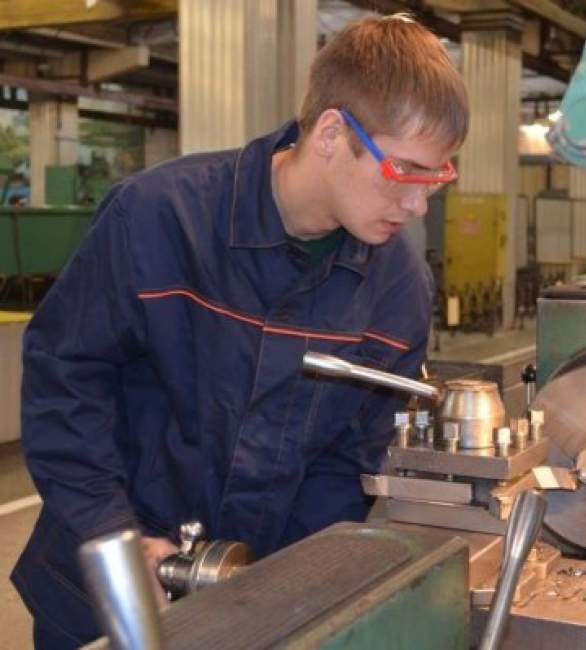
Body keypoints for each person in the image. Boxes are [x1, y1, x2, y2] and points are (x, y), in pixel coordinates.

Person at [12, 13, 468, 648]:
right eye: (405, 171)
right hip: (100, 592)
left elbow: (347, 463)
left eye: (436, 177)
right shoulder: (159, 219)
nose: (418, 205)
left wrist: (288, 586)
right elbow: (66, 383)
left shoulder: (397, 289)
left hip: (255, 604)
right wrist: (113, 534)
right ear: (332, 133)